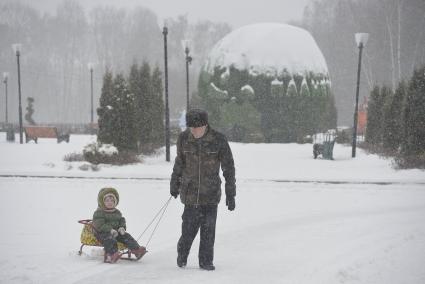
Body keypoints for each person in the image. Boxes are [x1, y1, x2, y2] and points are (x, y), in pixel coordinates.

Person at [170, 108, 236, 271]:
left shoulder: (218, 140)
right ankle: (182, 252)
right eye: (191, 127)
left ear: (205, 125)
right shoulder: (184, 138)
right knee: (188, 231)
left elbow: (228, 167)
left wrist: (230, 192)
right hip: (190, 193)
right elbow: (180, 162)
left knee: (208, 231)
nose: (193, 130)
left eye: (197, 127)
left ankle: (206, 260)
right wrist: (174, 183)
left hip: (211, 194)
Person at [92, 187, 146, 263]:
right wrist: (110, 230)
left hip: (116, 231)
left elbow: (121, 220)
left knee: (126, 236)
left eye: (112, 201)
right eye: (107, 201)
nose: (110, 202)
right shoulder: (99, 212)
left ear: (115, 202)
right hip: (102, 233)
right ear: (102, 202)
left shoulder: (117, 212)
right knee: (110, 239)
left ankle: (136, 250)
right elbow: (100, 225)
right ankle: (112, 254)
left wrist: (121, 227)